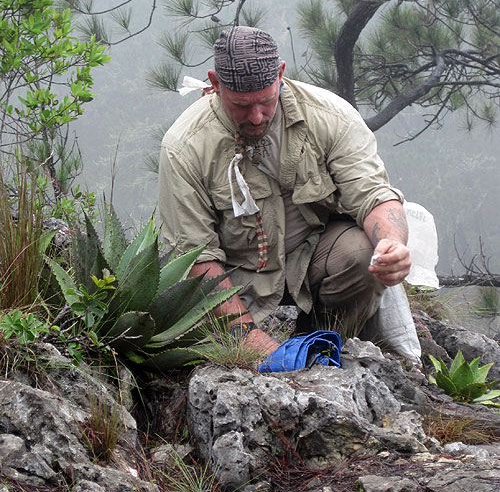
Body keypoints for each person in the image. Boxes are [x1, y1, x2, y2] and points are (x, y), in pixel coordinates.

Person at [158, 26, 411, 356]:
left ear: (280, 74)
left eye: (265, 100)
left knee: (363, 254)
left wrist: (392, 243)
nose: (257, 116)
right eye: (240, 105)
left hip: (314, 259)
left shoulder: (330, 117)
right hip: (240, 278)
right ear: (216, 84)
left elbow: (373, 193)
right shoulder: (185, 147)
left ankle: (328, 346)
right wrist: (252, 340)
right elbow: (195, 255)